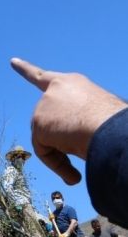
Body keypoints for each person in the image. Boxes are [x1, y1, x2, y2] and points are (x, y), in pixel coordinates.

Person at [10, 58, 128, 228]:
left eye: (22, 156)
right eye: (17, 156)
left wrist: (106, 128)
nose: (20, 159)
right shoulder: (10, 172)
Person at [2, 145, 42, 236]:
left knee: (30, 231)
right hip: (21, 204)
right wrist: (16, 203)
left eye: (23, 157)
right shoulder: (11, 170)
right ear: (13, 158)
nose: (22, 159)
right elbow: (7, 187)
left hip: (25, 203)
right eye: (19, 156)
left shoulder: (19, 172)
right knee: (35, 231)